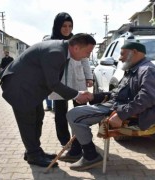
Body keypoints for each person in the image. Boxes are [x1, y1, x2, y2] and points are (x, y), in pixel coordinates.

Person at [62, 42, 155, 171]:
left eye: (122, 53)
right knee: (76, 114)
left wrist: (121, 114)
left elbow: (148, 98)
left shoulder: (147, 70)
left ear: (135, 52)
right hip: (118, 107)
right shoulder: (134, 69)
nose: (120, 58)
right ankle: (78, 151)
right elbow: (117, 94)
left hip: (129, 113)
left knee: (74, 114)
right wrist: (93, 97)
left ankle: (90, 155)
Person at [0, 33, 96, 168]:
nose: (87, 56)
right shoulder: (56, 52)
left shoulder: (62, 50)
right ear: (76, 48)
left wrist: (76, 93)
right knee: (28, 121)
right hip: (20, 87)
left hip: (30, 87)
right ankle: (33, 155)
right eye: (88, 52)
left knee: (38, 116)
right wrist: (76, 95)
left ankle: (34, 151)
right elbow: (53, 83)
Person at [44, 12, 93, 149]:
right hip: (58, 82)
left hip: (77, 79)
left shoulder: (77, 40)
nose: (67, 29)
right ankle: (65, 142)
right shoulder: (49, 41)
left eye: (70, 26)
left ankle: (80, 139)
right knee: (60, 113)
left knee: (80, 111)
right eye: (64, 26)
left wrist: (88, 77)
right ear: (57, 26)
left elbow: (85, 59)